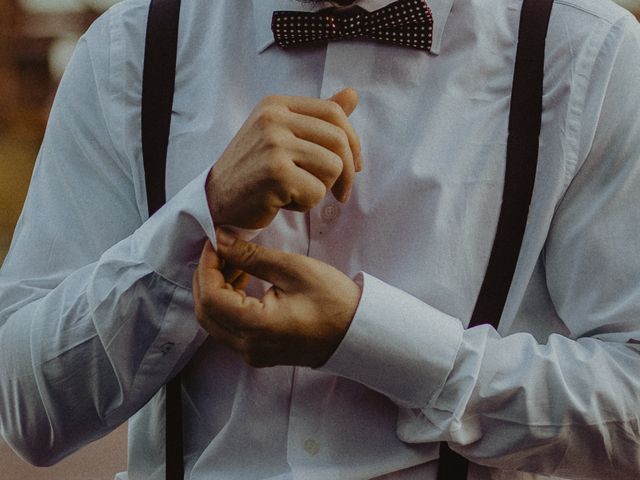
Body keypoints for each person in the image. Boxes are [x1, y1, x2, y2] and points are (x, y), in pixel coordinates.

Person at [1, 0, 640, 478]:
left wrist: (372, 341)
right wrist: (198, 216)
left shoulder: (589, 58)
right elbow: (26, 408)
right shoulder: (130, 50)